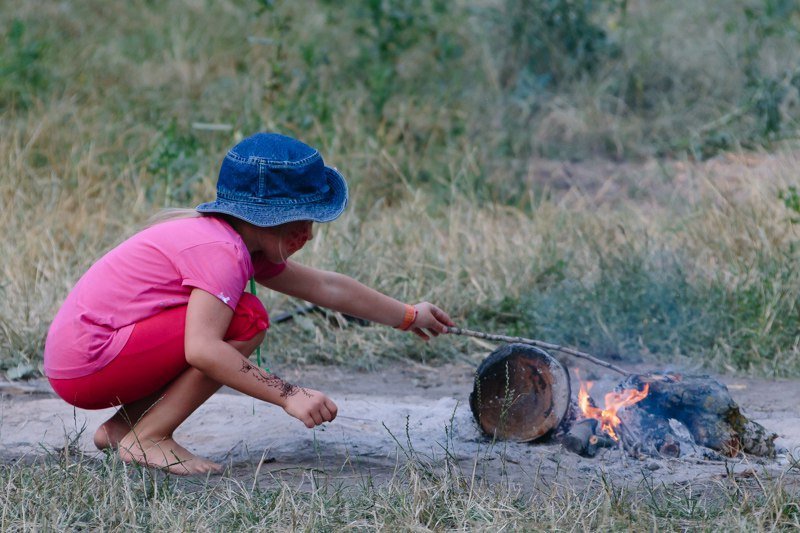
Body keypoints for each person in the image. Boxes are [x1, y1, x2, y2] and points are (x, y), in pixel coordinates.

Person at [44, 132, 455, 475]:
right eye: (301, 221)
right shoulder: (222, 251)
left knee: (241, 316)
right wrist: (288, 393)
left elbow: (327, 288)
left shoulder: (235, 242)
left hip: (83, 360)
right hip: (91, 361)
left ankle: (125, 428)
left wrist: (406, 315)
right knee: (246, 319)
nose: (308, 235)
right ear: (263, 218)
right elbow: (202, 349)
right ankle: (148, 438)